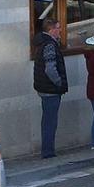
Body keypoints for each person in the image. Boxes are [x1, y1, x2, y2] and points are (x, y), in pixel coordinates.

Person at [31, 16, 67, 158]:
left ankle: (48, 150)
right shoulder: (50, 45)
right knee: (50, 122)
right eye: (58, 28)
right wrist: (59, 83)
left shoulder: (43, 42)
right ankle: (48, 152)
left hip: (44, 88)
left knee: (47, 120)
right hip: (50, 89)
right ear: (51, 30)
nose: (60, 30)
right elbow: (50, 69)